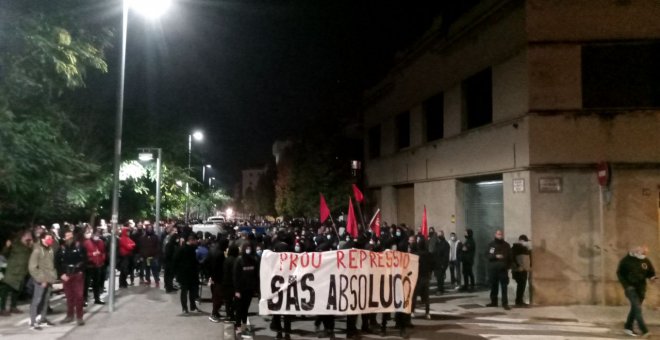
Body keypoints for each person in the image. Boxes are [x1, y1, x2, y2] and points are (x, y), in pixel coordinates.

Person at [617, 246, 657, 337]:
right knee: (637, 308)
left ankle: (628, 327)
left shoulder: (645, 261)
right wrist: (626, 286)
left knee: (635, 309)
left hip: (641, 289)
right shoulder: (626, 261)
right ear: (635, 251)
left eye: (645, 253)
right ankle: (645, 331)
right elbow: (619, 274)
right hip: (630, 288)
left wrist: (653, 278)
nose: (643, 255)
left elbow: (650, 272)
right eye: (642, 252)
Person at [56, 230, 87, 325]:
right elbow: (57, 262)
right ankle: (69, 316)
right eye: (67, 236)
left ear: (73, 236)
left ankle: (79, 317)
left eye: (70, 235)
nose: (68, 237)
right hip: (66, 275)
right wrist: (61, 274)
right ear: (64, 237)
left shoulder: (79, 247)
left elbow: (85, 259)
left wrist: (81, 270)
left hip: (77, 274)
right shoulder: (61, 248)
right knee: (69, 297)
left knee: (79, 296)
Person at [28, 233, 58, 330]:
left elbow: (51, 266)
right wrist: (42, 279)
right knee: (37, 300)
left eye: (51, 238)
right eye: (48, 238)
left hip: (49, 279)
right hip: (40, 280)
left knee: (45, 301)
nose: (50, 240)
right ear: (42, 239)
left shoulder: (50, 250)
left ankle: (42, 319)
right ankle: (33, 322)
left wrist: (53, 277)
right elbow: (32, 267)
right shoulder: (37, 250)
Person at [0, 230, 33, 316]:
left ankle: (13, 307)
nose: (30, 236)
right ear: (23, 236)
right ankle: (2, 309)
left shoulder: (29, 246)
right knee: (5, 290)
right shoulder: (15, 244)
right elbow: (4, 253)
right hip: (12, 270)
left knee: (17, 289)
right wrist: (7, 247)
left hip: (22, 271)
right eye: (28, 235)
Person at [233, 243, 259, 335]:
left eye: (250, 248)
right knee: (239, 309)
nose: (248, 250)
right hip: (240, 289)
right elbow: (236, 276)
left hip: (249, 289)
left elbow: (256, 275)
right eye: (247, 248)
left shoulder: (253, 260)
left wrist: (256, 288)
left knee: (245, 309)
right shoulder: (239, 260)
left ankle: (244, 326)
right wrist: (237, 290)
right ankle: (238, 326)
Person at [486, 230, 511, 310]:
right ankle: (494, 302)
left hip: (503, 269)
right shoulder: (491, 245)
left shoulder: (506, 245)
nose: (499, 235)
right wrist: (496, 256)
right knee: (494, 286)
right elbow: (488, 255)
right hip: (493, 269)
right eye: (498, 234)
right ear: (495, 235)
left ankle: (505, 303)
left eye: (501, 234)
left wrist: (507, 266)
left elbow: (510, 256)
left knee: (504, 287)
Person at [174, 235, 200, 314]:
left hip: (188, 273)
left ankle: (189, 307)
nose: (196, 242)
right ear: (192, 240)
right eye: (195, 241)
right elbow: (176, 260)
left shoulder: (188, 248)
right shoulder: (186, 249)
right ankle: (187, 307)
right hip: (186, 273)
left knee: (189, 291)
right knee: (186, 291)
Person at [82, 228, 106, 305]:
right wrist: (92, 255)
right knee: (86, 283)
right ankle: (84, 299)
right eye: (95, 235)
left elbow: (103, 252)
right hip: (89, 265)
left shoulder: (101, 242)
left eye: (98, 235)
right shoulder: (86, 242)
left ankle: (97, 298)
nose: (97, 236)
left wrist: (102, 260)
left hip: (98, 265)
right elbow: (84, 254)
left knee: (97, 283)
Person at [511, 234, 531, 307]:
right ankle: (518, 301)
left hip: (524, 269)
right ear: (521, 241)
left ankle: (520, 300)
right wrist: (517, 266)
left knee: (522, 286)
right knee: (520, 285)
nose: (526, 242)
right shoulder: (515, 248)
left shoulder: (525, 249)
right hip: (518, 270)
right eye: (525, 241)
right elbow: (512, 259)